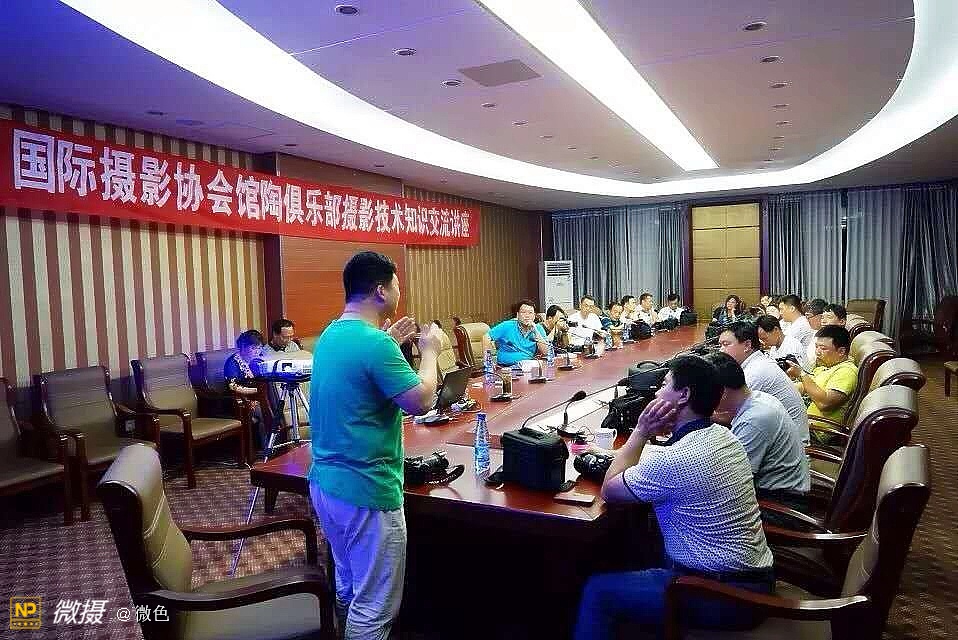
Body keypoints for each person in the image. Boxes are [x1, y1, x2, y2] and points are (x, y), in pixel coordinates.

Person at [574, 355, 774, 639]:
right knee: (638, 549)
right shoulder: (724, 436)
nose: (657, 393)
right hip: (754, 581)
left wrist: (641, 431)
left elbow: (610, 490)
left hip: (722, 595)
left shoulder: (675, 461)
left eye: (664, 384)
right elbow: (670, 463)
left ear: (684, 395)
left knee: (598, 591)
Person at [309, 250, 443, 640]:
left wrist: (387, 342)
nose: (400, 291)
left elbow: (359, 375)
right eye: (396, 284)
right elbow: (421, 401)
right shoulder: (374, 344)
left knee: (349, 585)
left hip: (326, 485)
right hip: (366, 491)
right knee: (375, 606)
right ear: (380, 291)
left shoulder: (331, 334)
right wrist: (430, 352)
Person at [704, 352, 810, 495]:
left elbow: (732, 481)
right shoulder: (759, 398)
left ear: (722, 393)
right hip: (786, 484)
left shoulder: (753, 421)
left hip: (781, 499)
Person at [718, 322, 810, 444]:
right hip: (780, 435)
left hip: (791, 444)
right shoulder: (756, 363)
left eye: (726, 344)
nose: (721, 350)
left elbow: (729, 414)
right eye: (720, 345)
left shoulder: (756, 371)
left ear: (747, 345)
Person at [786, 325, 858, 426]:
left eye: (823, 348)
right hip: (801, 419)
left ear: (841, 351)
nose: (817, 352)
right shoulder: (824, 367)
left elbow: (824, 404)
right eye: (816, 347)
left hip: (816, 430)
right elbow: (803, 387)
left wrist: (801, 374)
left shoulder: (847, 371)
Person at [224, 329, 267, 445]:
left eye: (259, 348)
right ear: (243, 347)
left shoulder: (258, 360)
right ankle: (266, 446)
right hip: (241, 400)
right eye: (253, 348)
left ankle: (281, 442)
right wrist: (257, 391)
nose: (257, 351)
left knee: (278, 405)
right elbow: (233, 387)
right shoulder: (233, 362)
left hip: (259, 396)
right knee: (264, 411)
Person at [484, 299, 548, 365]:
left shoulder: (538, 328)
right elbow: (486, 337)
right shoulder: (507, 325)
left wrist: (535, 331)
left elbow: (545, 352)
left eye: (530, 313)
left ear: (534, 316)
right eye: (523, 312)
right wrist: (488, 361)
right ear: (517, 315)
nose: (527, 316)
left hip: (528, 365)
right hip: (506, 366)